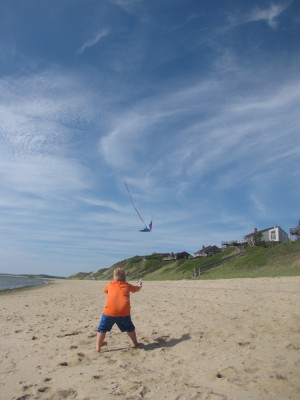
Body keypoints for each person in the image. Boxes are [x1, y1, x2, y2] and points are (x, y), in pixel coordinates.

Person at [96, 267, 142, 352]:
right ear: (124, 278)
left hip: (109, 313)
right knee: (130, 328)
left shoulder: (110, 285)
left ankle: (98, 348)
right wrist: (139, 285)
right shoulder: (127, 285)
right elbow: (137, 289)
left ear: (114, 277)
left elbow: (105, 291)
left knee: (102, 329)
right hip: (123, 313)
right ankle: (135, 343)